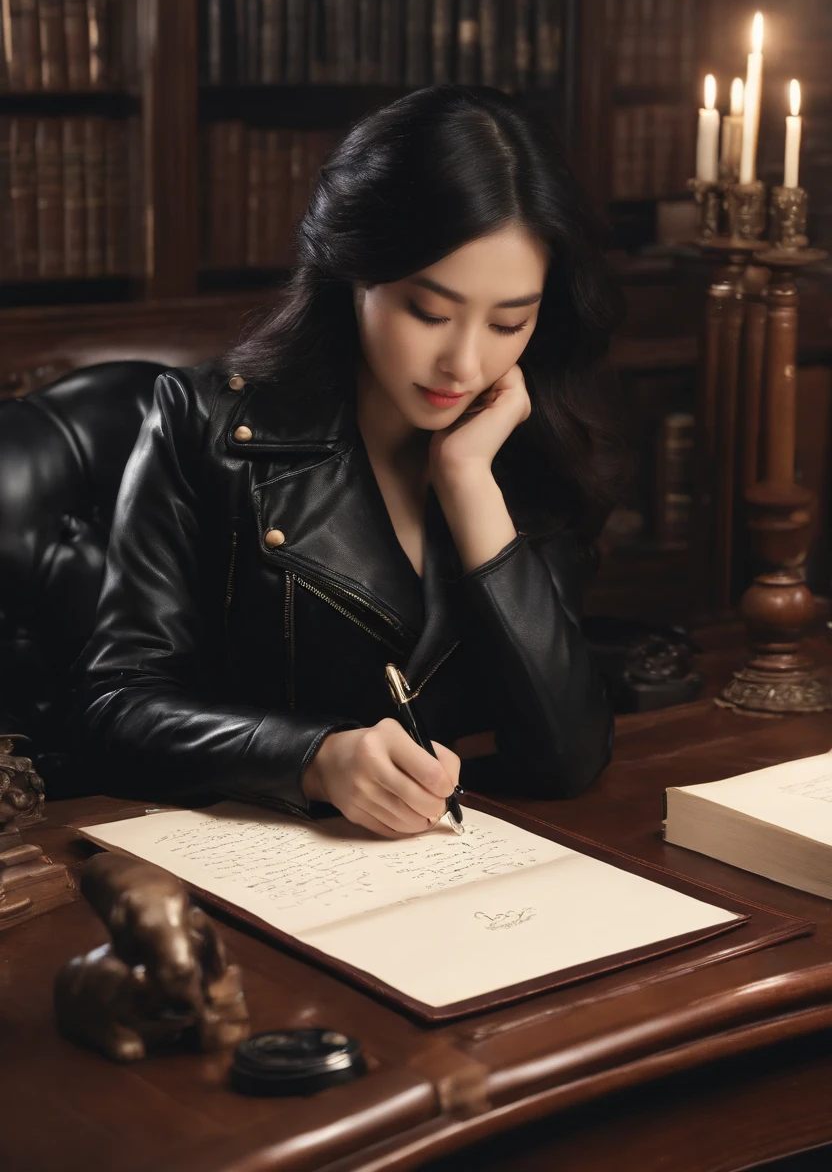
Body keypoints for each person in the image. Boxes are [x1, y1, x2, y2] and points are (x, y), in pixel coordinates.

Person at [76, 84, 623, 839]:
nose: (463, 362)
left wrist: (469, 483)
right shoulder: (202, 423)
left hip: (462, 877)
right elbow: (120, 705)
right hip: (253, 876)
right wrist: (315, 758)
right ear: (354, 272)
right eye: (428, 312)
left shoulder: (519, 440)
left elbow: (568, 758)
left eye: (508, 322)